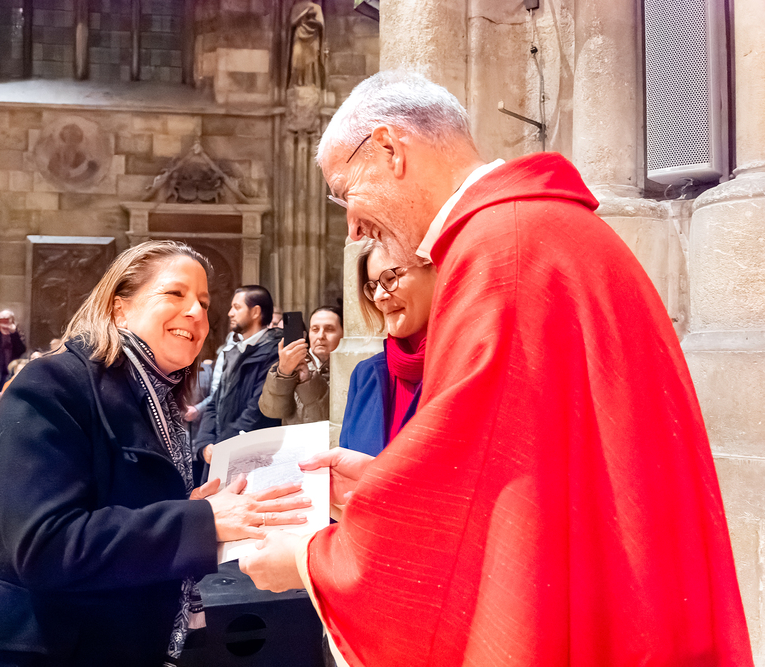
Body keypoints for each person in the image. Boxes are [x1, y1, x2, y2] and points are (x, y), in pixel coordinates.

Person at [239, 71, 753, 666]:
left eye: (344, 192)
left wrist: (312, 561)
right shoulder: (534, 229)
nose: (352, 229)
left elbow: (480, 487)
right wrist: (383, 484)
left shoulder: (499, 251)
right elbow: (519, 467)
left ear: (389, 149)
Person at [0, 241, 310, 667]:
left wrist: (189, 506)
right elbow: (46, 545)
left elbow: (117, 503)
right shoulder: (51, 385)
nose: (196, 312)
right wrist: (202, 520)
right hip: (25, 646)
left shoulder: (157, 401)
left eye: (204, 303)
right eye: (175, 293)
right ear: (119, 309)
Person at [339, 240, 436, 455]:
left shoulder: (470, 365)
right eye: (373, 287)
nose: (378, 297)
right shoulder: (364, 375)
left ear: (434, 269)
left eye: (391, 278)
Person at [193, 285, 283, 470]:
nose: (230, 313)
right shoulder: (234, 351)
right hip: (221, 451)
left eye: (237, 307)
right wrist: (205, 443)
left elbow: (257, 411)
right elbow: (216, 401)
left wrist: (222, 446)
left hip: (250, 457)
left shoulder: (274, 352)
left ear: (255, 312)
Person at [259, 306, 344, 425]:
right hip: (293, 436)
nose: (320, 336)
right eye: (315, 329)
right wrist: (283, 375)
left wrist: (308, 380)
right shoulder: (295, 364)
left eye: (329, 329)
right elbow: (272, 411)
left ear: (343, 334)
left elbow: (333, 416)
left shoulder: (348, 368)